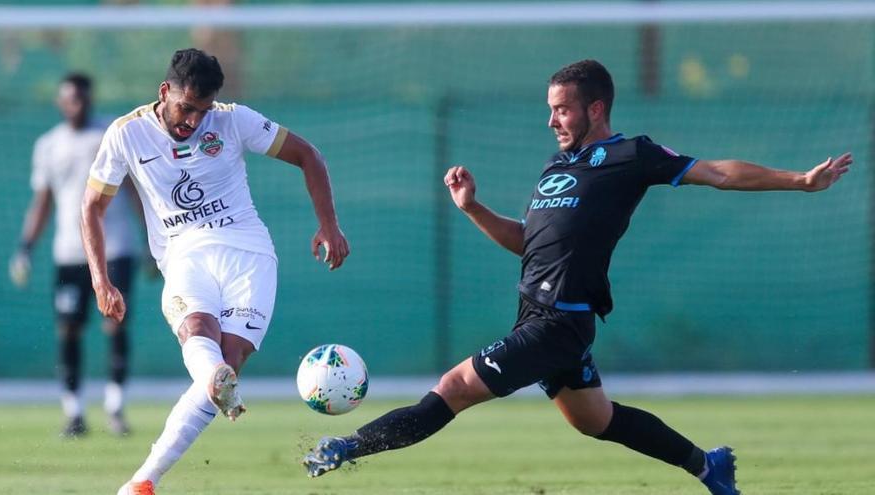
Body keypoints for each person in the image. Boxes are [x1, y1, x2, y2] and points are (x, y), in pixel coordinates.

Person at [302, 59, 852, 495]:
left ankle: (346, 447)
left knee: (453, 389)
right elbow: (528, 243)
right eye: (550, 109)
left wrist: (798, 180)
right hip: (542, 316)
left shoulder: (632, 154)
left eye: (562, 110)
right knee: (595, 419)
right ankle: (708, 466)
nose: (552, 120)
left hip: (556, 324)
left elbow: (717, 172)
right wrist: (473, 207)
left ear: (595, 107)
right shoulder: (555, 168)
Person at [80, 48, 349, 495]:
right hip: (185, 253)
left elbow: (309, 155)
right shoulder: (126, 134)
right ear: (165, 92)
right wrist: (100, 279)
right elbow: (92, 207)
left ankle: (144, 479)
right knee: (199, 332)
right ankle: (146, 479)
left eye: (202, 111)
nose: (193, 121)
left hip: (249, 251)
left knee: (229, 363)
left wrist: (329, 225)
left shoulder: (231, 119)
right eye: (186, 107)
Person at [10, 73, 143, 438]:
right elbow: (43, 202)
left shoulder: (108, 136)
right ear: (60, 102)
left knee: (115, 322)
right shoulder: (49, 145)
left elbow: (133, 192)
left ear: (90, 98)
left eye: (83, 98)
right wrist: (25, 247)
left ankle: (115, 406)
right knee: (69, 328)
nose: (77, 105)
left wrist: (151, 243)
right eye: (71, 99)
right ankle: (74, 411)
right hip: (69, 251)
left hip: (114, 246)